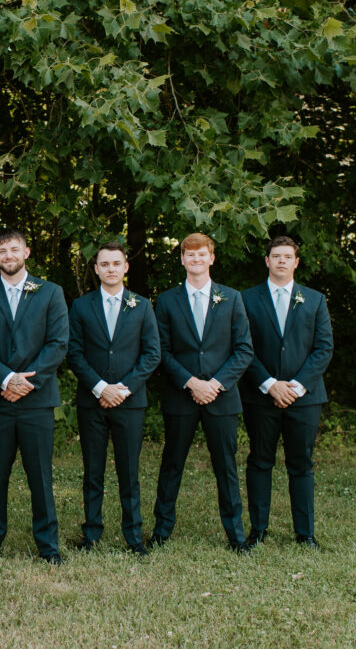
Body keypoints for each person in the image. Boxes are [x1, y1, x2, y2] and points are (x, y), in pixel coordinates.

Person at [0, 229, 69, 565]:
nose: (8, 255)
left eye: (15, 249)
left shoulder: (50, 292)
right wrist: (5, 378)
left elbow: (58, 343)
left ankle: (48, 544)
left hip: (36, 401)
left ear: (26, 253)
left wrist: (28, 381)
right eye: (2, 250)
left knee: (40, 475)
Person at [151, 232, 253, 552]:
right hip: (181, 395)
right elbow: (161, 351)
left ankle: (236, 535)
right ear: (182, 259)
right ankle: (161, 530)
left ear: (211, 258)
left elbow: (243, 349)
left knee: (226, 466)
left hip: (221, 396)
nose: (195, 260)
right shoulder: (167, 300)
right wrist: (191, 382)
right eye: (189, 255)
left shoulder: (232, 298)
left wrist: (215, 384)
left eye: (201, 255)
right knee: (172, 464)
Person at [67, 242, 160, 556]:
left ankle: (133, 536)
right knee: (93, 471)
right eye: (104, 264)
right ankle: (91, 534)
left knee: (129, 472)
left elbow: (152, 354)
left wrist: (122, 388)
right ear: (96, 269)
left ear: (125, 267)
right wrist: (99, 387)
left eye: (116, 263)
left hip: (129, 402)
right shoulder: (81, 306)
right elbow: (74, 353)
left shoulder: (142, 306)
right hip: (92, 402)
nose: (110, 269)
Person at [240, 236, 333, 550]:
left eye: (287, 256)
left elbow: (323, 348)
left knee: (301, 464)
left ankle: (305, 533)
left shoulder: (315, 299)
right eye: (275, 256)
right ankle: (258, 531)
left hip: (304, 397)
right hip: (260, 395)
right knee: (260, 460)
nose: (281, 261)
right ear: (267, 261)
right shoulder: (247, 299)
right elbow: (242, 348)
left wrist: (296, 385)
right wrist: (269, 383)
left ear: (296, 262)